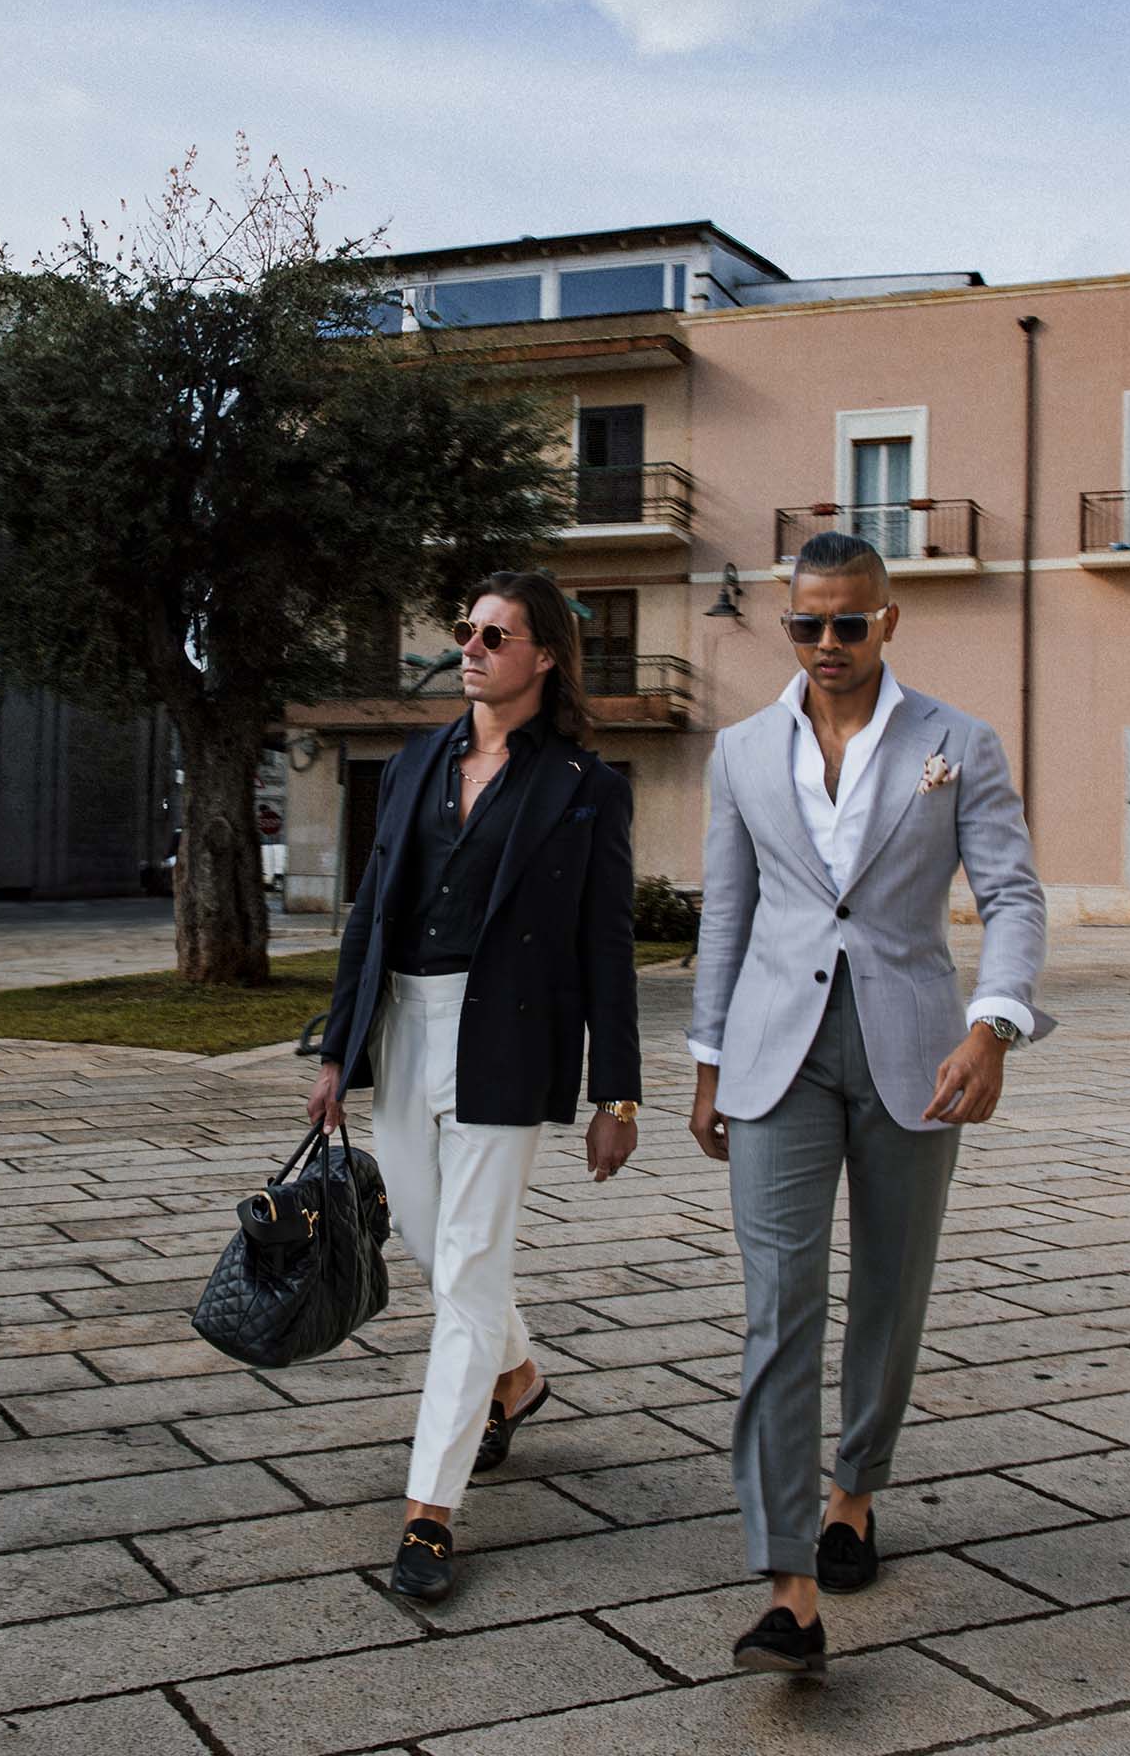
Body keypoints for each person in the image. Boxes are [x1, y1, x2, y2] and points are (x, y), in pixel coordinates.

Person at [688, 529, 1054, 1679]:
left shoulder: (959, 741)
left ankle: (856, 1490)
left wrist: (993, 1025)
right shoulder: (742, 750)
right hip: (773, 1055)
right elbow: (726, 913)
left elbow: (1011, 892)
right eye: (807, 622)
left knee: (889, 1291)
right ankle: (787, 1580)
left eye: (850, 621)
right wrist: (706, 1061)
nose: (829, 641)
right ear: (785, 624)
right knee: (779, 1298)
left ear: (888, 618)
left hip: (913, 1047)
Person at [307, 570, 641, 1603]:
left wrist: (615, 1092)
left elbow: (605, 944)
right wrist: (336, 1048)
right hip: (405, 1025)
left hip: (509, 1037)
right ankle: (521, 1376)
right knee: (420, 1232)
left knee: (466, 1265)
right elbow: (370, 911)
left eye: (497, 632)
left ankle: (429, 1509)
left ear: (544, 655)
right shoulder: (415, 762)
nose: (473, 644)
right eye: (466, 629)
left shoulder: (584, 785)